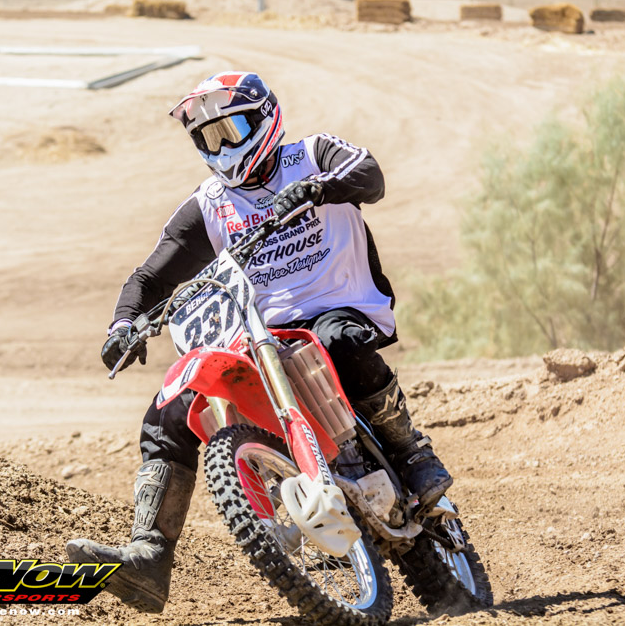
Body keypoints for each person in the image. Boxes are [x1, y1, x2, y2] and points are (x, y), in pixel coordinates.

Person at [66, 71, 452, 613]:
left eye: (232, 130)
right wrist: (123, 324)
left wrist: (319, 188)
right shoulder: (209, 204)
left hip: (336, 304)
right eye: (209, 138)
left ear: (265, 118)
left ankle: (411, 453)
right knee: (168, 411)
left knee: (336, 341)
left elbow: (370, 174)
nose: (222, 147)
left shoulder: (312, 154)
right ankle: (149, 556)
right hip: (259, 330)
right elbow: (149, 276)